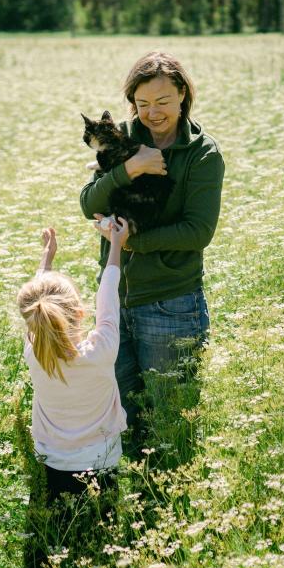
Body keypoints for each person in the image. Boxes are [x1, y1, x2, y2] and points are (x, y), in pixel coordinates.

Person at [79, 51, 224, 455]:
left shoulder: (202, 153)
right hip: (113, 305)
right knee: (126, 426)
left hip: (171, 307)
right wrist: (131, 169)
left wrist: (128, 242)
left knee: (170, 430)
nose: (152, 112)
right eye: (142, 104)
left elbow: (198, 231)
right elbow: (89, 203)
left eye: (162, 101)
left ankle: (174, 514)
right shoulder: (122, 139)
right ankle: (139, 513)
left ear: (182, 94)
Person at [17, 221, 128, 529]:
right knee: (104, 530)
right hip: (103, 462)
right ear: (80, 314)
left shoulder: (35, 353)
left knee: (59, 530)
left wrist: (46, 260)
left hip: (52, 463)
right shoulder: (101, 350)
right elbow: (108, 301)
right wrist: (116, 246)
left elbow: (37, 305)